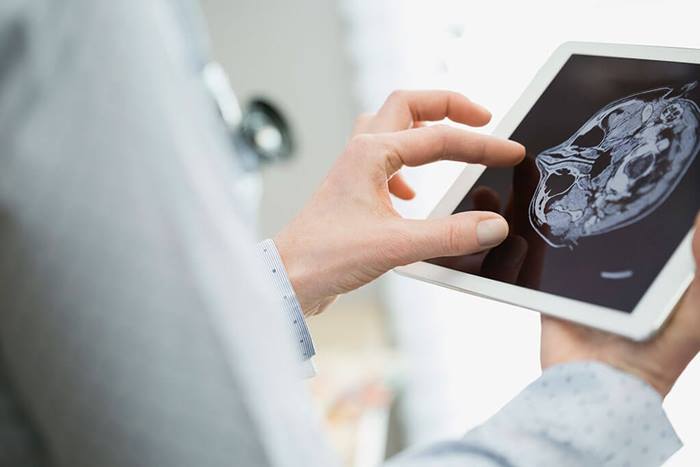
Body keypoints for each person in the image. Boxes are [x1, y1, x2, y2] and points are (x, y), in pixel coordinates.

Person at [0, 1, 697, 466]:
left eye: (632, 167)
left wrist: (290, 270)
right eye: (605, 137)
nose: (584, 157)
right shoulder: (78, 24)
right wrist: (610, 389)